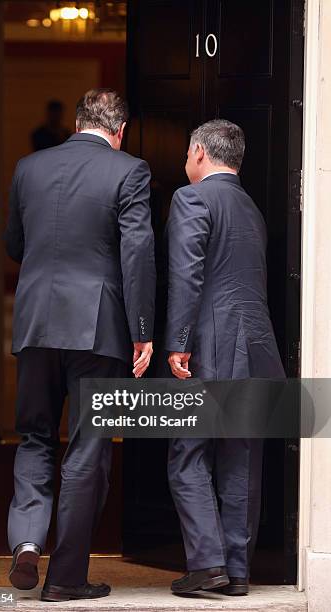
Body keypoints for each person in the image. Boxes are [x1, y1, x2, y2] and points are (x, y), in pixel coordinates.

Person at [4, 88, 156, 602]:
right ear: (119, 131)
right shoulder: (129, 170)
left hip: (35, 324)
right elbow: (136, 254)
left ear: (76, 123)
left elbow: (14, 244)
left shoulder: (28, 168)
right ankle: (66, 577)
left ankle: (26, 542)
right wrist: (143, 331)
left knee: (34, 437)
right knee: (88, 450)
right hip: (98, 328)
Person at [164, 120, 285, 596]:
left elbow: (187, 275)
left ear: (198, 152)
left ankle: (207, 563)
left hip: (212, 346)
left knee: (186, 455)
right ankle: (236, 571)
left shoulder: (191, 198)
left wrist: (177, 343)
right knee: (242, 460)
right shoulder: (251, 207)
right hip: (257, 347)